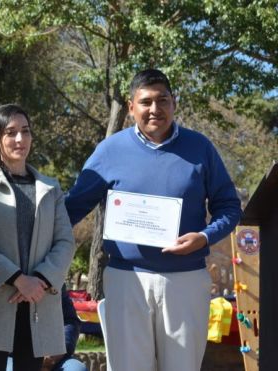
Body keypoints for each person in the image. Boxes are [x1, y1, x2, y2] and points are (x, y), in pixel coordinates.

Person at [65, 69, 242, 371]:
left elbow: (229, 206)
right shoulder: (110, 150)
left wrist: (205, 236)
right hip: (125, 280)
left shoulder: (200, 148)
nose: (155, 109)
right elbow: (72, 207)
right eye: (146, 102)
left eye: (163, 100)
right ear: (131, 106)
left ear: (174, 103)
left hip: (186, 280)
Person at [0, 104, 76, 371]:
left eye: (25, 131)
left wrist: (39, 281)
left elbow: (65, 242)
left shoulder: (51, 188)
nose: (20, 139)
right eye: (10, 132)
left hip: (38, 303)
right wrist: (18, 280)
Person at [0, 262, 87, 371]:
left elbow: (70, 320)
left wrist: (58, 351)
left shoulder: (47, 271)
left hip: (49, 350)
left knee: (76, 369)